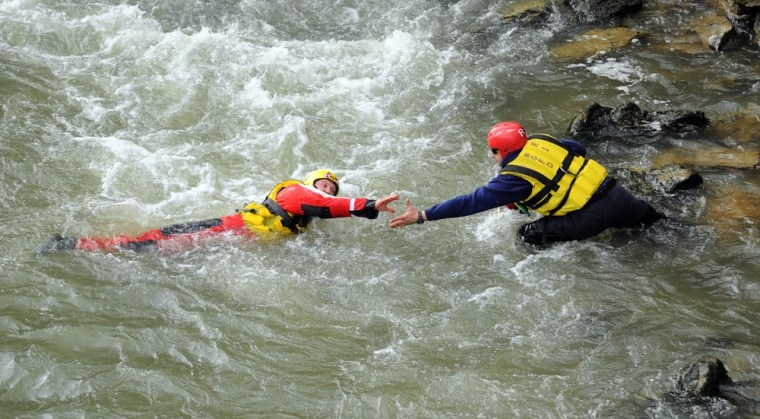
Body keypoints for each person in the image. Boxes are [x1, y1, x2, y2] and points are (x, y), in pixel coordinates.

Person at [389, 122, 664, 246]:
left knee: (527, 236)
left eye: (493, 151)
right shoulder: (541, 140)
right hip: (616, 194)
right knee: (657, 226)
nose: (491, 156)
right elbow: (578, 149)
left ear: (504, 153)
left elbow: (470, 202)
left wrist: (423, 216)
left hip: (590, 217)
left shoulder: (513, 180)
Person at [42, 169, 400, 253]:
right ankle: (74, 245)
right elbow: (327, 207)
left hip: (234, 239)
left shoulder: (310, 209)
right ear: (310, 184)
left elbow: (324, 210)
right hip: (224, 229)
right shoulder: (295, 193)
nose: (327, 189)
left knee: (158, 254)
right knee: (147, 246)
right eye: (322, 184)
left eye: (332, 187)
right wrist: (368, 205)